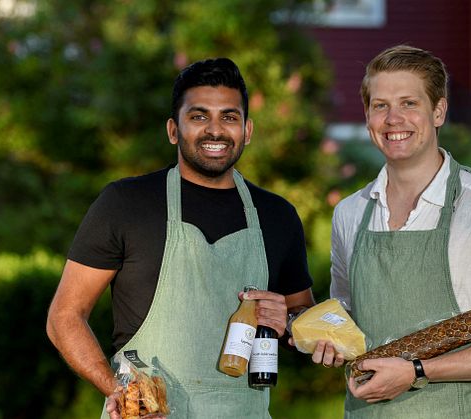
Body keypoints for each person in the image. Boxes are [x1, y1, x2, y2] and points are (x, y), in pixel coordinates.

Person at [46, 57, 316, 419]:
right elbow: (64, 316)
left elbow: (304, 320)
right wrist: (121, 392)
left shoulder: (278, 215)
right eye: (199, 116)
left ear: (247, 130)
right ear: (174, 130)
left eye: (229, 117)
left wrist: (292, 323)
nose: (215, 130)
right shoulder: (126, 203)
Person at [312, 45, 471, 417]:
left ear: (438, 111)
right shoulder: (350, 214)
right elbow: (348, 310)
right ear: (367, 116)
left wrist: (417, 371)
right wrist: (325, 337)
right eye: (380, 106)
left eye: (409, 103)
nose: (394, 119)